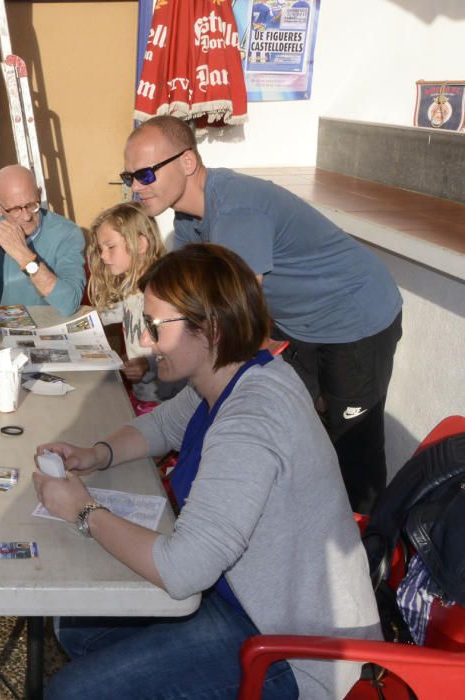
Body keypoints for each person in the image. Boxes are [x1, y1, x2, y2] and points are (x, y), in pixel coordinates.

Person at [34, 244, 381, 699]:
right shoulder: (231, 375)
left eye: (156, 328)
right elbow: (161, 425)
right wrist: (96, 454)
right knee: (79, 626)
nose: (145, 341)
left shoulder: (251, 421)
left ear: (211, 329)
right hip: (240, 597)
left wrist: (83, 510)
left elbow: (183, 570)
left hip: (295, 649)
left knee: (73, 693)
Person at [122, 115, 403, 514]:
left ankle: (370, 557)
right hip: (300, 324)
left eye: (146, 174)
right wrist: (157, 355)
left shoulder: (238, 209)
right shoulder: (188, 219)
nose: (135, 186)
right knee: (289, 430)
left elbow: (235, 321)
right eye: (129, 175)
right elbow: (192, 308)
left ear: (187, 162)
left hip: (356, 317)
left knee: (353, 448)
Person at [86, 201, 183, 414]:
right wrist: (80, 319)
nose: (102, 256)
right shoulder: (131, 287)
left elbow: (182, 349)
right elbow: (110, 314)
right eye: (101, 249)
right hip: (142, 394)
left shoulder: (163, 294)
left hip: (163, 403)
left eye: (110, 247)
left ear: (140, 244)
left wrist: (148, 365)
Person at [0, 164, 85, 316]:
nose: (27, 216)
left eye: (31, 205)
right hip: (0, 330)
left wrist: (24, 256)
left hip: (49, 329)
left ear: (40, 194)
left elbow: (69, 303)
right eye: (15, 209)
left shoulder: (67, 233)